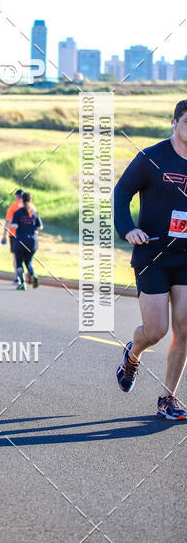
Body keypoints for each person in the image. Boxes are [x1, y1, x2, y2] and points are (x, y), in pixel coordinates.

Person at [113, 99, 187, 420]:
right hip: (152, 254)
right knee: (156, 330)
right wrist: (128, 229)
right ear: (175, 123)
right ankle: (133, 353)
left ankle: (167, 399)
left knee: (184, 330)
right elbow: (121, 192)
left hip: (186, 257)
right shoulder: (152, 158)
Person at [12, 192, 42, 290]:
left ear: (22, 199)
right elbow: (39, 226)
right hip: (32, 241)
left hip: (20, 240)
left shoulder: (18, 212)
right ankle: (33, 275)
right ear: (30, 200)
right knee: (28, 261)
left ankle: (22, 282)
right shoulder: (34, 213)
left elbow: (14, 225)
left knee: (19, 262)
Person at [2, 189, 25, 285]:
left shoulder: (13, 206)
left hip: (14, 234)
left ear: (16, 196)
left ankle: (17, 277)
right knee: (24, 257)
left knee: (16, 257)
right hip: (27, 235)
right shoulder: (31, 206)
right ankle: (24, 276)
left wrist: (4, 236)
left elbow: (8, 221)